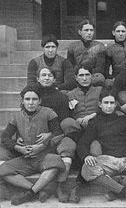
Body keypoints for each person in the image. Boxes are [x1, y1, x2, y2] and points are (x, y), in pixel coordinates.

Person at [77, 86, 126, 204]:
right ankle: (124, 191)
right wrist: (86, 156)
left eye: (111, 103)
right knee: (86, 169)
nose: (109, 106)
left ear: (116, 104)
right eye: (106, 103)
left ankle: (115, 189)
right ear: (100, 104)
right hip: (108, 161)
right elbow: (83, 143)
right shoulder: (95, 122)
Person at [0, 85, 65, 205]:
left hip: (44, 156)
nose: (31, 103)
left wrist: (43, 144)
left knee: (56, 163)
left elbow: (59, 133)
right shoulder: (17, 117)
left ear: (39, 101)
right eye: (27, 99)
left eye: (34, 99)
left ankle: (30, 193)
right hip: (26, 157)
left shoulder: (49, 113)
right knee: (2, 170)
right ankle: (35, 190)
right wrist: (18, 147)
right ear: (22, 101)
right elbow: (4, 137)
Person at [61, 62, 102, 203]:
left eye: (87, 75)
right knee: (67, 123)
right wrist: (77, 119)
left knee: (95, 151)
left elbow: (106, 107)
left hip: (95, 129)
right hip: (78, 131)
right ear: (76, 78)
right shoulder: (70, 94)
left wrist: (91, 116)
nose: (84, 78)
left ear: (91, 76)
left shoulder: (99, 91)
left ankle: (78, 186)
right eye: (81, 75)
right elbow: (67, 114)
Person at [36, 67, 77, 202]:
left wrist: (51, 133)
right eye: (43, 75)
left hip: (57, 134)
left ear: (54, 79)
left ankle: (59, 185)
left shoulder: (61, 97)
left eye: (49, 75)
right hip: (37, 135)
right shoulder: (32, 96)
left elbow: (64, 120)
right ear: (38, 78)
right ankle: (48, 187)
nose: (46, 78)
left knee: (68, 146)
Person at [67, 19, 106, 86]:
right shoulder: (73, 46)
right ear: (80, 32)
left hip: (93, 76)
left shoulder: (100, 46)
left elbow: (100, 68)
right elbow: (70, 66)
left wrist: (87, 74)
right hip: (78, 75)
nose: (89, 33)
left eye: (91, 30)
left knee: (99, 79)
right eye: (86, 30)